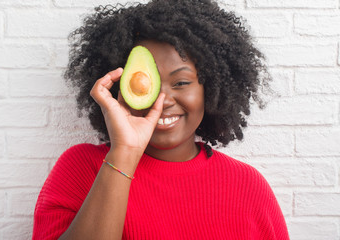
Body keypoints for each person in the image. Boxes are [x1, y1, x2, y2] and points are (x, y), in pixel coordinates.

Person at [32, 0, 290, 239]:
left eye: (181, 82)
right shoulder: (80, 168)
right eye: (144, 85)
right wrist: (125, 152)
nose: (163, 100)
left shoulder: (247, 186)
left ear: (210, 90)